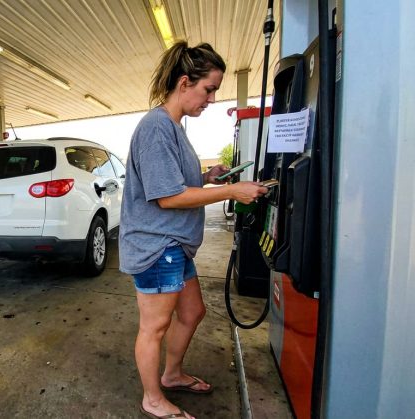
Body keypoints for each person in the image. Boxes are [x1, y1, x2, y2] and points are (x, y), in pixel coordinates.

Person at [119, 41, 268, 419]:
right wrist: (231, 190)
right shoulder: (156, 127)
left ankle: (171, 375)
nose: (211, 99)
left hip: (175, 246)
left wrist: (207, 176)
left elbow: (172, 181)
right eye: (209, 89)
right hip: (156, 246)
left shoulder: (174, 127)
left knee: (193, 312)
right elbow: (167, 197)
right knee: (154, 327)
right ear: (185, 82)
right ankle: (152, 399)